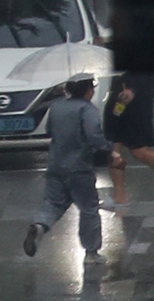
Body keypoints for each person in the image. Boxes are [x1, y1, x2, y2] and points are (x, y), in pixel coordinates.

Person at [24, 74, 123, 264]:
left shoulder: (56, 107)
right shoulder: (87, 109)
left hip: (55, 165)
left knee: (53, 203)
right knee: (88, 208)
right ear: (88, 90)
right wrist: (110, 151)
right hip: (79, 167)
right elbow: (94, 135)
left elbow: (49, 130)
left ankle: (39, 225)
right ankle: (91, 253)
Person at [102, 72, 154, 209]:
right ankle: (119, 195)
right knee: (113, 148)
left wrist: (133, 90)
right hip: (117, 100)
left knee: (139, 150)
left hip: (138, 104)